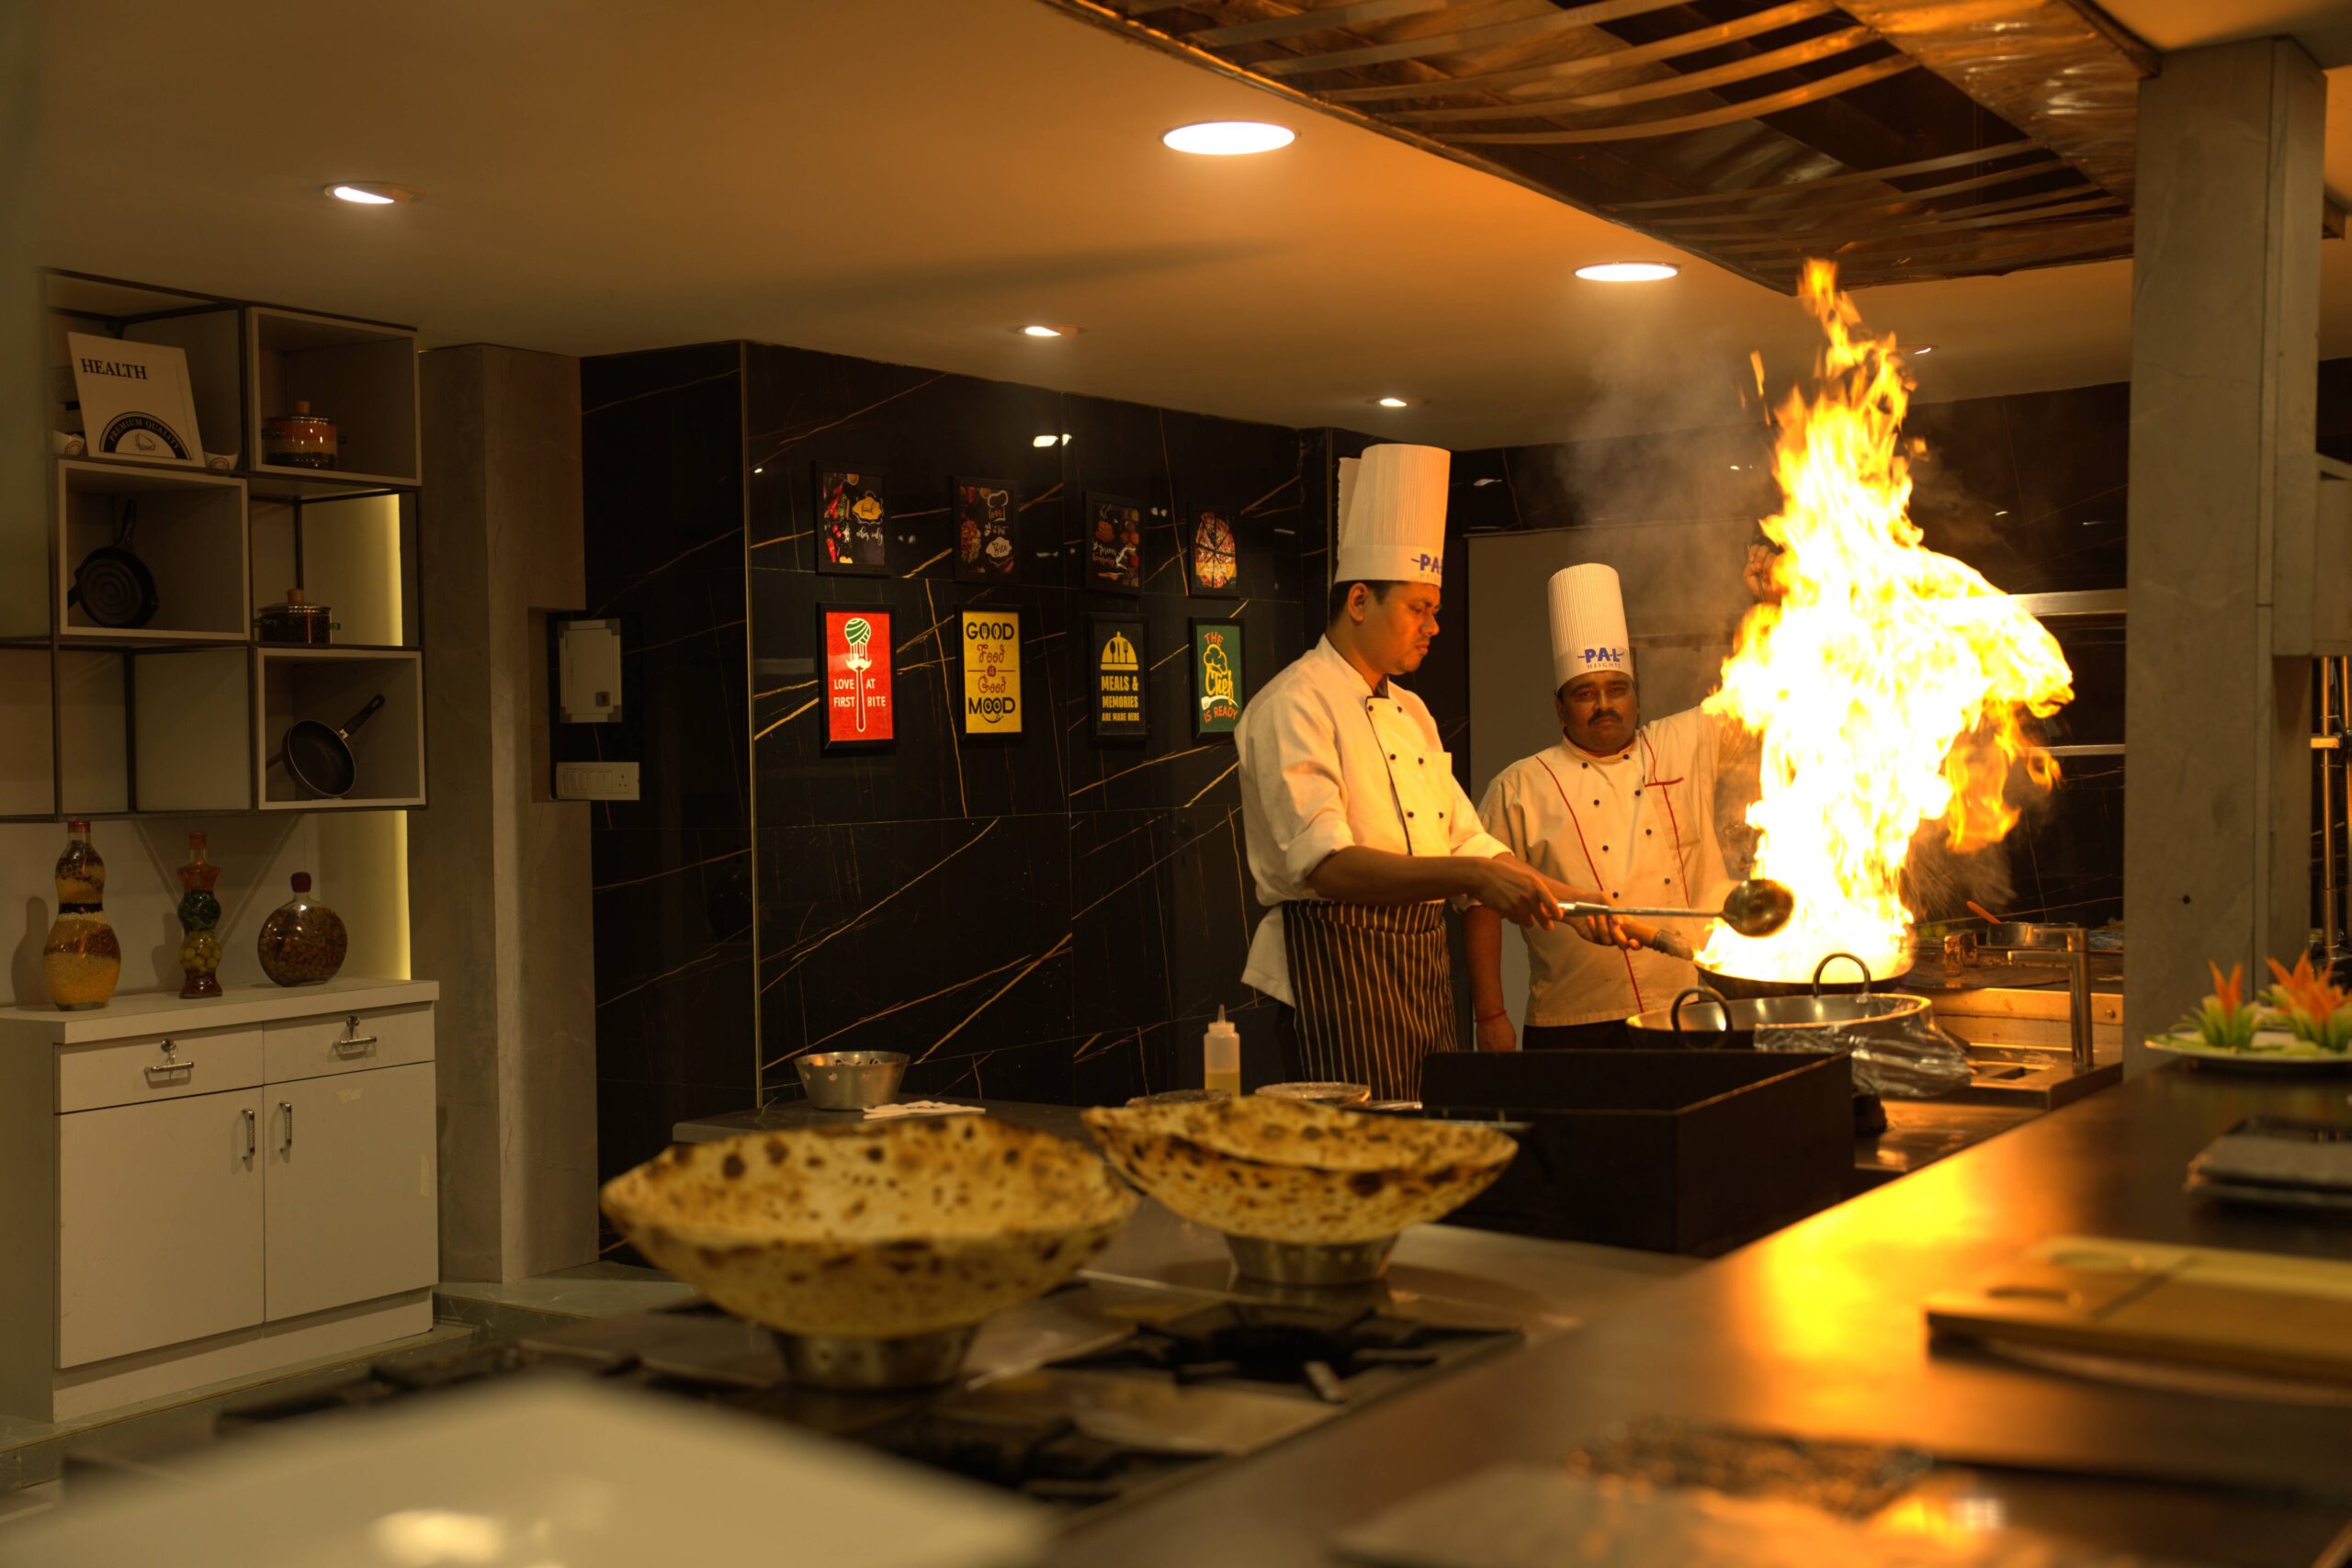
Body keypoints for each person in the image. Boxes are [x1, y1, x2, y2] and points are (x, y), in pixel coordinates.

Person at [1236, 444, 1630, 1099]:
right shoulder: (1293, 704)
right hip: (1337, 974)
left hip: (1420, 971)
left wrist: (1569, 899)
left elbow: (1466, 839)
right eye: (1419, 608)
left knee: (1427, 1132)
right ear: (1359, 600)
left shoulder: (1411, 710)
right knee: (1366, 1150)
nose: (1434, 627)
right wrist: (1471, 878)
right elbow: (1327, 866)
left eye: (1436, 609)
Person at [1465, 558, 1767, 1050]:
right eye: (1585, 693)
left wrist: (1768, 601)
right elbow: (1480, 905)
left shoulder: (1686, 739)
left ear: (1636, 697)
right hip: (1573, 1019)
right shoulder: (1518, 786)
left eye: (1617, 689)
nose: (1604, 704)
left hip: (1687, 1006)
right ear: (1559, 707)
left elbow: (1768, 684)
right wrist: (1490, 1015)